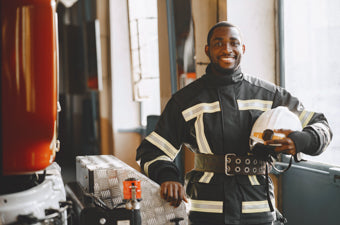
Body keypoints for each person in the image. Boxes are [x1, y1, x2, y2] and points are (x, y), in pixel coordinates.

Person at [136, 21, 332, 225]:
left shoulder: (269, 95)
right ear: (207, 50)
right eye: (218, 43)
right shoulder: (185, 101)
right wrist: (168, 176)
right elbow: (151, 150)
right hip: (206, 209)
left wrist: (302, 140)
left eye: (233, 43)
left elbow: (322, 125)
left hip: (257, 208)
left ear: (242, 49)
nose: (227, 49)